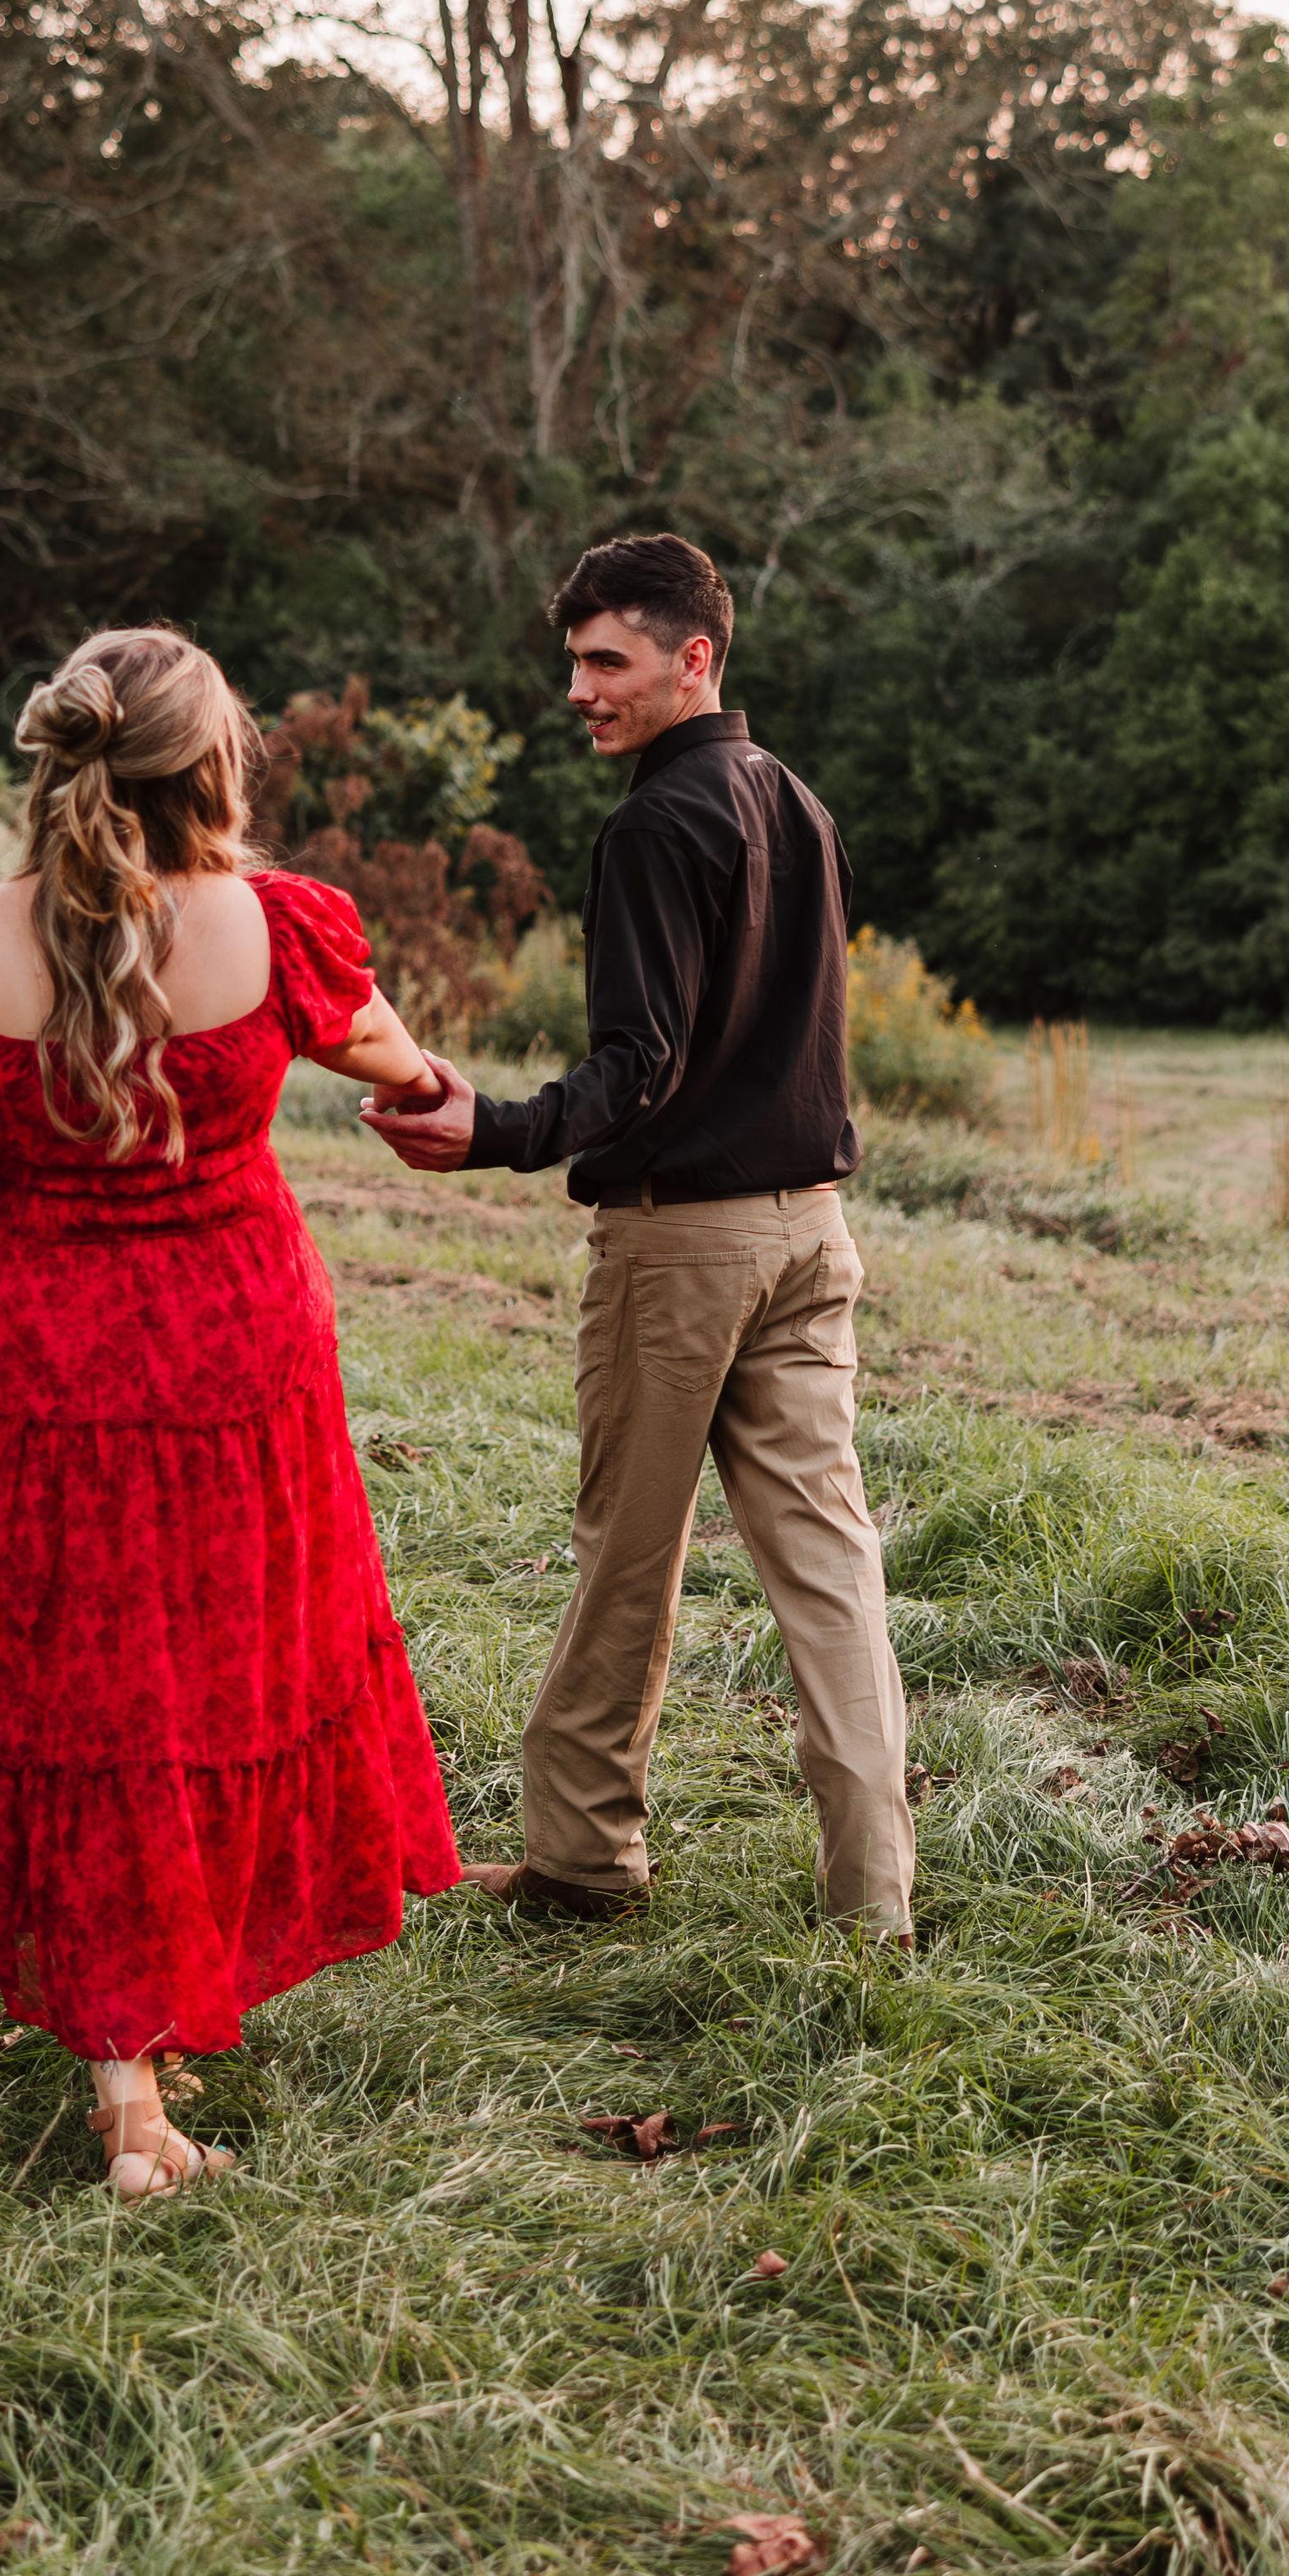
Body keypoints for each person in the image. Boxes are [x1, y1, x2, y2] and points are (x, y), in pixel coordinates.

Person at [0, 625, 464, 2197]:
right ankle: (169, 2016)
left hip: (45, 1362)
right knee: (218, 1676)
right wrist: (429, 1083)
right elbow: (394, 1061)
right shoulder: (281, 926)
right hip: (241, 1358)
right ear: (215, 767)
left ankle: (128, 2075)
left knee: (92, 1696)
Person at [361, 532, 913, 1944]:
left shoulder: (656, 824)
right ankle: (874, 1904)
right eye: (574, 663)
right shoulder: (795, 800)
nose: (580, 691)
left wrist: (492, 1127)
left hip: (686, 1252)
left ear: (694, 657)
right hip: (813, 1235)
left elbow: (643, 1066)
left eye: (607, 662)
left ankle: (583, 1861)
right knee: (832, 1569)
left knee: (628, 1554)